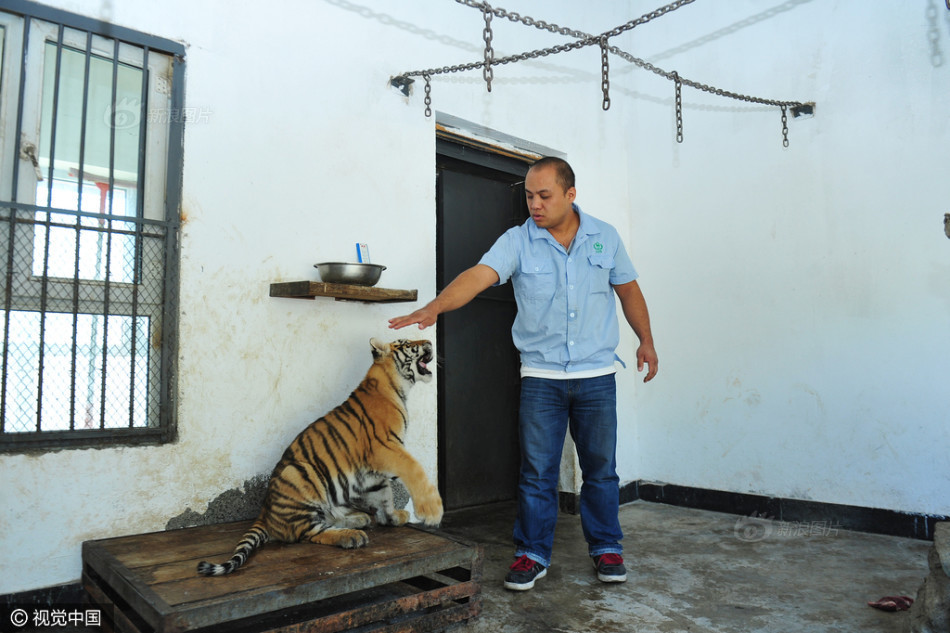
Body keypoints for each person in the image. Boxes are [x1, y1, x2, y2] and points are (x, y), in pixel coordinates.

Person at [389, 156, 658, 591]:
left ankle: (607, 547)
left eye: (544, 195)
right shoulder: (517, 241)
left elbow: (628, 290)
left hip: (596, 377)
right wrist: (436, 306)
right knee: (536, 472)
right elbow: (480, 275)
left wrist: (646, 340)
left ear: (571, 195)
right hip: (542, 379)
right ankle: (531, 554)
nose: (534, 204)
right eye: (529, 195)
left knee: (602, 470)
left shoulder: (604, 238)